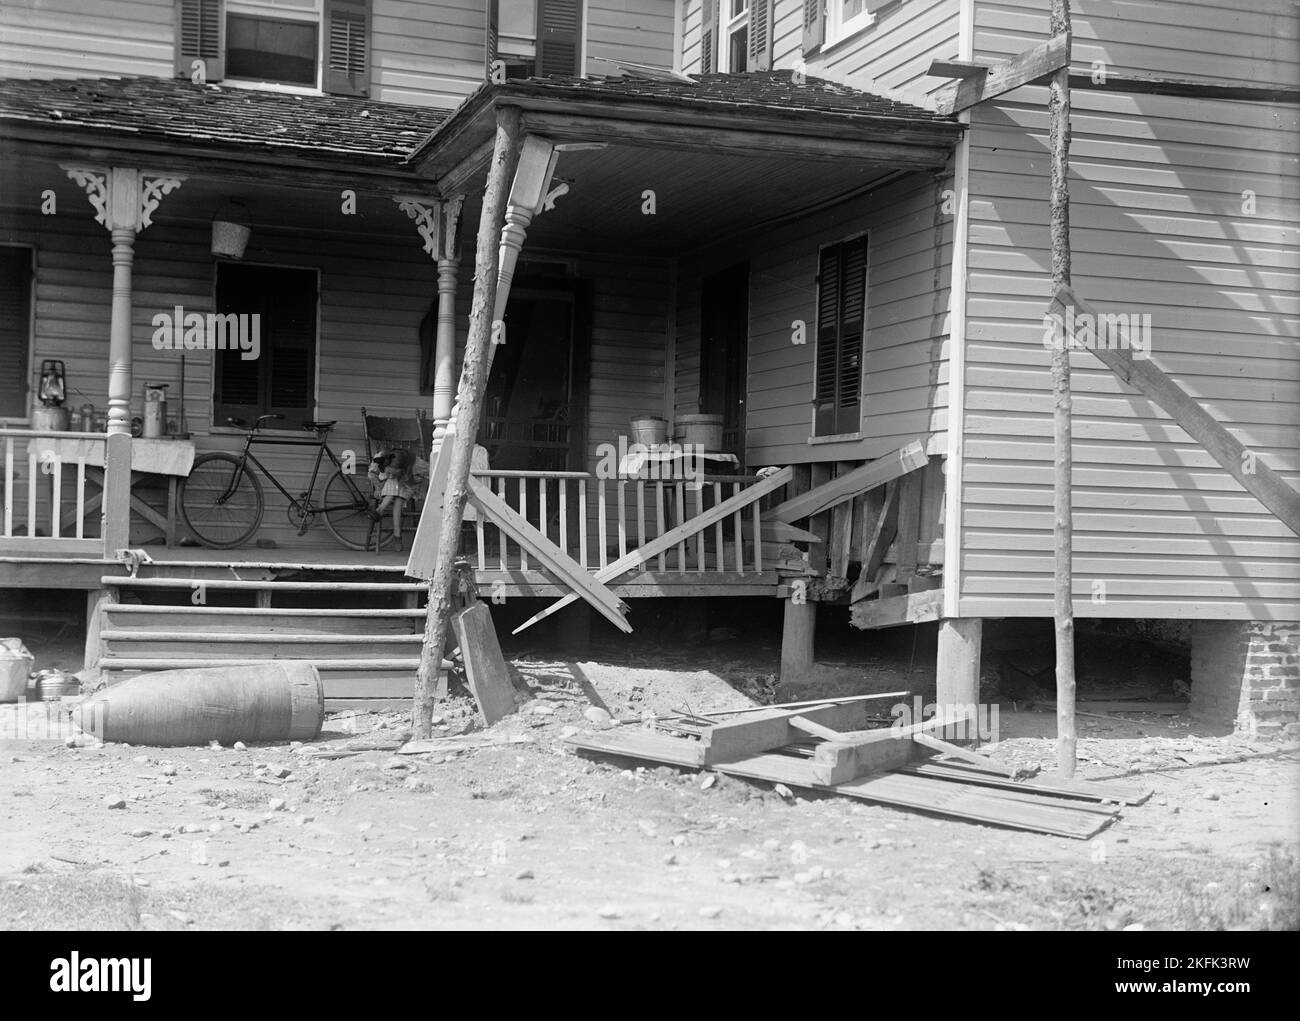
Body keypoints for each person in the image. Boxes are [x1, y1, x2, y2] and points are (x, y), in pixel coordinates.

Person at [368, 448, 417, 551]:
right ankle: (397, 535)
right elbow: (372, 474)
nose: (390, 475)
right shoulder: (380, 459)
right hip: (385, 487)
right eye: (389, 472)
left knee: (398, 497)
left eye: (393, 473)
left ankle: (380, 510)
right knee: (392, 481)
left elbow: (423, 475)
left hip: (404, 486)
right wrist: (377, 487)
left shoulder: (409, 465)